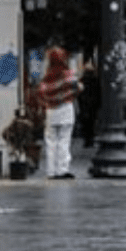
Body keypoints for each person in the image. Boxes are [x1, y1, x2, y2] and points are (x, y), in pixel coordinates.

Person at [35, 47, 81, 179]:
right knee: (64, 140)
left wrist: (47, 102)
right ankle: (62, 169)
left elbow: (41, 92)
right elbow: (77, 87)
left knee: (51, 141)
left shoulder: (46, 78)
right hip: (66, 109)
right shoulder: (68, 74)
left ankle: (51, 171)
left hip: (51, 111)